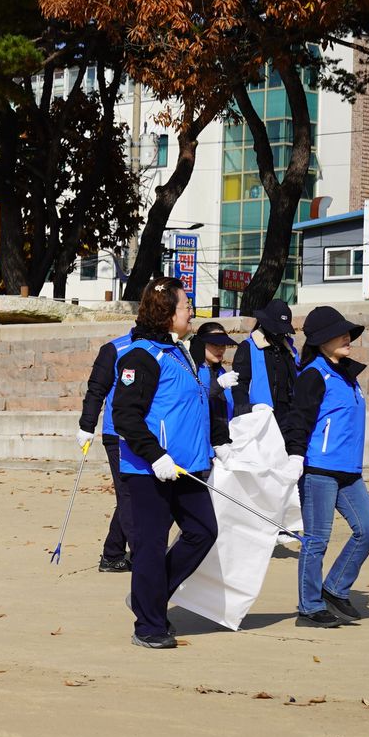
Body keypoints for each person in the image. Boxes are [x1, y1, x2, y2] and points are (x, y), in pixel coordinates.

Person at [111, 276, 230, 649]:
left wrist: (216, 444)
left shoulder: (181, 353)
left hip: (189, 468)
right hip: (150, 471)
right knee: (149, 545)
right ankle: (148, 625)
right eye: (185, 306)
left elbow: (193, 405)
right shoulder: (140, 356)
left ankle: (152, 595)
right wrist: (155, 454)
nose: (191, 311)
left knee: (203, 531)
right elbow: (125, 415)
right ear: (167, 313)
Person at [281, 306, 369, 629]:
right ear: (321, 341)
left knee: (368, 529)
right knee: (317, 539)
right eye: (339, 333)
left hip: (349, 471)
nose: (347, 337)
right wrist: (296, 456)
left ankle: (334, 588)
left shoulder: (347, 375)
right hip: (319, 470)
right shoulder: (314, 374)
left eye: (348, 332)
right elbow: (299, 419)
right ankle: (309, 607)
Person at [75, 322, 137, 573]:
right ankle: (143, 554)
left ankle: (112, 554)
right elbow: (96, 390)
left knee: (135, 496)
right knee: (129, 495)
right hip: (119, 435)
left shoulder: (167, 349)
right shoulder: (115, 349)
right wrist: (86, 426)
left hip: (152, 435)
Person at [232, 298, 300, 427]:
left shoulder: (290, 350)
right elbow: (240, 384)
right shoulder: (248, 347)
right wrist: (246, 411)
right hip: (260, 418)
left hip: (289, 416)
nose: (280, 334)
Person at [188, 321, 242, 419]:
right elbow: (194, 398)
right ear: (201, 344)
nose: (220, 349)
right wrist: (218, 385)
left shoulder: (221, 372)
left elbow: (227, 407)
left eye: (223, 345)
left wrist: (252, 408)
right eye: (215, 344)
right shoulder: (192, 371)